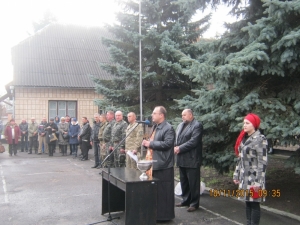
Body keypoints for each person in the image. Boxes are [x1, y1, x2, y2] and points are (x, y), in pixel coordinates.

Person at [233, 113, 268, 225]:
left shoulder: (260, 139)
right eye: (244, 123)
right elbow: (240, 158)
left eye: (247, 123)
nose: (244, 125)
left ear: (254, 125)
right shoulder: (244, 138)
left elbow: (262, 162)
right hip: (244, 177)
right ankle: (248, 223)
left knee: (254, 203)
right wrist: (236, 174)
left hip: (254, 178)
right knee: (247, 202)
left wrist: (258, 182)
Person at [142, 106, 175, 221]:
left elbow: (167, 144)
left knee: (164, 191)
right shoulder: (155, 127)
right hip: (154, 163)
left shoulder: (168, 128)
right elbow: (152, 141)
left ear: (161, 115)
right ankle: (156, 214)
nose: (152, 115)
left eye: (154, 113)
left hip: (163, 165)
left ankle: (165, 216)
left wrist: (150, 144)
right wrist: (145, 143)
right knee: (156, 192)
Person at [174, 109, 203, 212]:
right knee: (184, 181)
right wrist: (175, 147)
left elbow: (194, 141)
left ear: (191, 115)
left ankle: (194, 203)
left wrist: (179, 148)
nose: (183, 117)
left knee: (193, 183)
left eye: (184, 115)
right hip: (181, 158)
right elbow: (177, 139)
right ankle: (185, 200)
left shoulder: (197, 125)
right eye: (182, 115)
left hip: (192, 158)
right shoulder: (180, 125)